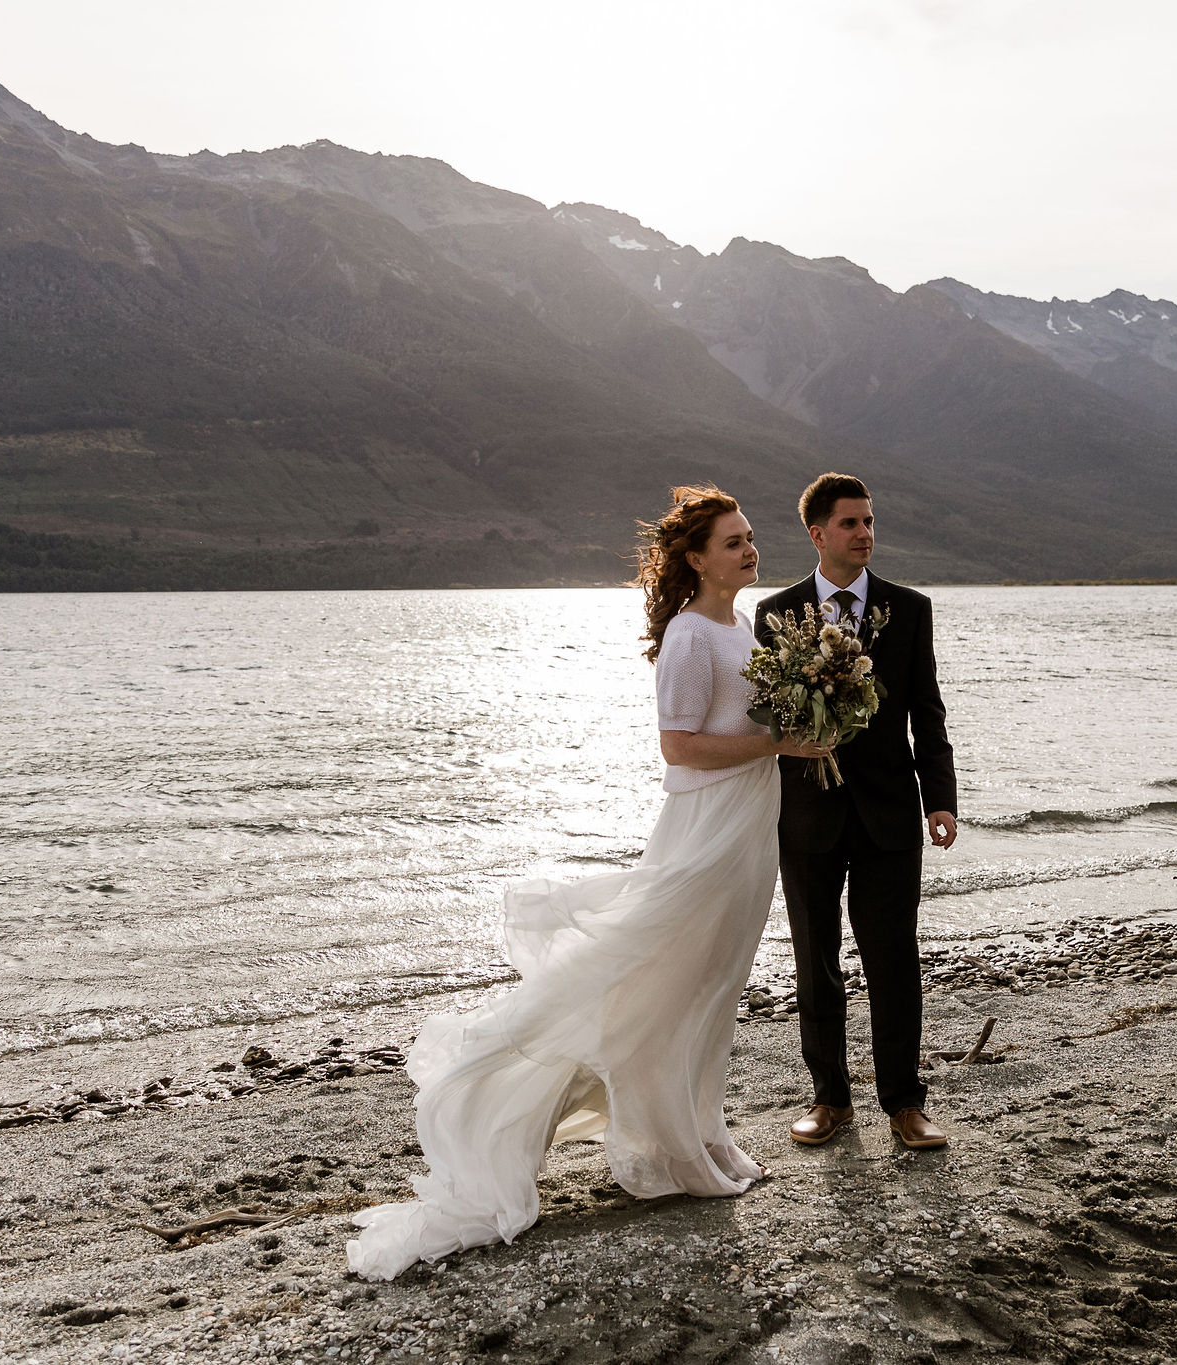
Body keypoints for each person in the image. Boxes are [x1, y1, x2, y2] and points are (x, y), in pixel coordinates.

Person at [346, 485, 830, 1280]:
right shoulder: (686, 637)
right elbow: (678, 748)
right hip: (706, 833)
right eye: (735, 541)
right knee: (669, 982)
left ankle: (706, 1130)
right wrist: (780, 744)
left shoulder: (736, 625)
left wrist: (791, 739)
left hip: (748, 832)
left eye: (750, 537)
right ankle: (670, 1142)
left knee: (717, 984)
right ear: (697, 557)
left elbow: (740, 730)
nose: (751, 549)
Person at [753, 473, 959, 1151]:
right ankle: (829, 1099)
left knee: (894, 958)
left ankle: (904, 1102)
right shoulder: (775, 613)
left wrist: (942, 800)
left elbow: (926, 714)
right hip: (807, 815)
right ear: (817, 533)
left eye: (870, 521)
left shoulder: (910, 608)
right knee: (815, 961)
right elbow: (767, 717)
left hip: (892, 816)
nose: (865, 533)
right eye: (851, 523)